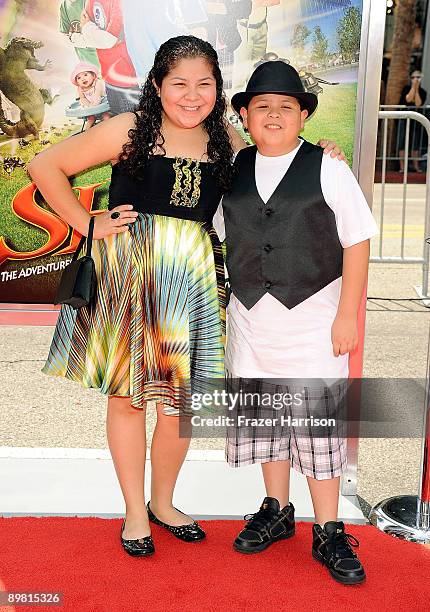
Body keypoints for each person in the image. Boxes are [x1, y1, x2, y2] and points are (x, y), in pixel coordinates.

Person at [27, 35, 344, 558]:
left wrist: (323, 152)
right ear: (157, 86)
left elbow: (278, 162)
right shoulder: (129, 129)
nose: (192, 95)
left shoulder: (224, 138)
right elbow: (45, 166)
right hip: (130, 270)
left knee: (179, 404)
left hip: (193, 277)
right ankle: (134, 512)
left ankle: (163, 502)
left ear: (218, 90)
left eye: (205, 84)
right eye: (179, 84)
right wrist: (85, 221)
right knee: (129, 400)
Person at [215, 60, 378, 584]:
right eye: (261, 107)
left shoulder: (329, 167)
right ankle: (276, 510)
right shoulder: (232, 170)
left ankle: (328, 529)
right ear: (243, 115)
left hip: (313, 318)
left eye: (287, 107)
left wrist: (348, 315)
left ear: (304, 116)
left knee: (316, 427)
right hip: (251, 319)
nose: (274, 115)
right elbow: (223, 232)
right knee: (266, 420)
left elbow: (356, 241)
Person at [398, 70, 427, 173]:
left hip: (417, 120)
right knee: (401, 142)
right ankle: (402, 167)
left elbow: (418, 103)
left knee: (415, 143)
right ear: (410, 78)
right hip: (404, 118)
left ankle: (416, 166)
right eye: (413, 77)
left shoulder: (423, 92)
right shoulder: (406, 88)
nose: (416, 79)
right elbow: (408, 99)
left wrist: (417, 89)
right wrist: (413, 87)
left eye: (418, 77)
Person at [71, 62, 110, 129]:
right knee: (90, 120)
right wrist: (88, 106)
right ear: (77, 82)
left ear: (93, 76)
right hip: (91, 107)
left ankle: (109, 128)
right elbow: (83, 98)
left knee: (106, 117)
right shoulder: (80, 89)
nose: (83, 79)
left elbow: (97, 96)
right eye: (79, 78)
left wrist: (93, 106)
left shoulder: (97, 83)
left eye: (85, 75)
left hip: (102, 105)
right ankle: (87, 133)